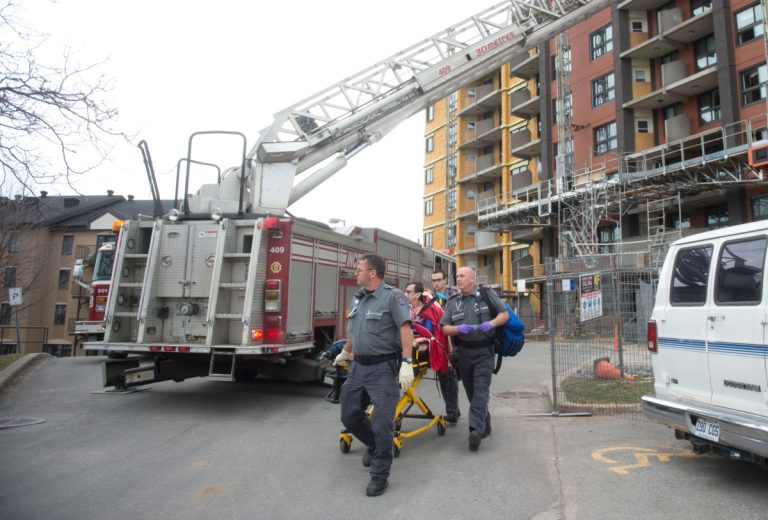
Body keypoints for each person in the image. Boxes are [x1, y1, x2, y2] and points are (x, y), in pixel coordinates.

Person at [333, 254, 414, 497]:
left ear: (372, 273)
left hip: (382, 369)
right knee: (349, 415)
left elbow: (405, 329)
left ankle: (379, 475)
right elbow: (354, 331)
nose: (355, 272)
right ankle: (375, 446)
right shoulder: (359, 298)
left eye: (359, 269)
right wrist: (345, 353)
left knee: (381, 423)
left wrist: (407, 362)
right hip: (358, 367)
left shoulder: (393, 297)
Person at [440, 266, 509, 451]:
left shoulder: (487, 295)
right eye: (457, 276)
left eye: (462, 276)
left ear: (472, 279)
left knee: (480, 390)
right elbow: (444, 327)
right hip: (463, 353)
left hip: (484, 352)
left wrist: (492, 323)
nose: (458, 279)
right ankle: (484, 422)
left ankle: (474, 431)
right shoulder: (453, 302)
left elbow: (504, 314)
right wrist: (456, 329)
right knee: (471, 392)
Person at [404, 281, 460, 425]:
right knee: (444, 378)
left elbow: (438, 333)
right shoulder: (407, 309)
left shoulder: (431, 309)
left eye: (408, 292)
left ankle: (452, 411)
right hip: (418, 347)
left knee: (447, 378)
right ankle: (453, 410)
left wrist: (448, 351)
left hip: (441, 346)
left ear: (417, 294)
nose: (405, 294)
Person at [429, 270, 462, 424]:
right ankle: (452, 410)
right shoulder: (430, 299)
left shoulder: (455, 297)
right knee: (446, 376)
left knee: (454, 378)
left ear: (445, 280)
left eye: (438, 280)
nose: (436, 283)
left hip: (456, 342)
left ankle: (454, 408)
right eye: (433, 280)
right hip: (441, 344)